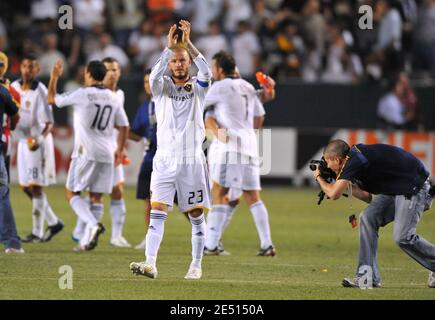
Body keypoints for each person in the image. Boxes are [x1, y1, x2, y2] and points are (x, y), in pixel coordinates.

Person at [129, 20, 211, 280]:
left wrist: (189, 45)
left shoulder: (198, 87)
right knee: (157, 210)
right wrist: (168, 48)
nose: (178, 64)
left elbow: (208, 73)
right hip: (163, 160)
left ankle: (196, 266)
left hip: (191, 161)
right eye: (174, 61)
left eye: (182, 60)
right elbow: (152, 76)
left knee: (196, 214)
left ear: (188, 63)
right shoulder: (161, 87)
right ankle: (150, 263)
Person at [312, 139, 435, 288]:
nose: (328, 167)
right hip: (397, 190)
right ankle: (367, 277)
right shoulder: (354, 160)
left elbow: (333, 194)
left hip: (416, 187)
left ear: (337, 159)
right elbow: (367, 197)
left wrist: (319, 177)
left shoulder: (353, 160)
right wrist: (344, 185)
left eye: (328, 162)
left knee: (402, 237)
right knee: (368, 217)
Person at [48, 59, 129, 251]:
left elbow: (52, 99)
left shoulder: (82, 94)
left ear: (89, 74)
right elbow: (125, 126)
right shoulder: (113, 97)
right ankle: (86, 241)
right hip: (107, 154)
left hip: (86, 152)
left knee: (71, 193)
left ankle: (93, 225)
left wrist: (53, 78)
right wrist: (119, 148)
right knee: (96, 197)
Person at [203, 51, 275, 257]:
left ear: (219, 69)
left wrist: (220, 131)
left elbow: (200, 104)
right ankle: (267, 244)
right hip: (250, 146)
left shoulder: (219, 87)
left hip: (230, 147)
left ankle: (210, 244)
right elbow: (259, 117)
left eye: (213, 67)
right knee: (252, 196)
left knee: (219, 192)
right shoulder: (247, 86)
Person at [71, 57, 131, 248]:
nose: (112, 73)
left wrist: (121, 148)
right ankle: (82, 231)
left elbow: (123, 125)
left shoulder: (119, 94)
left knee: (117, 190)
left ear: (120, 72)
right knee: (92, 193)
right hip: (96, 149)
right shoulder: (92, 95)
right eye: (109, 69)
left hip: (113, 150)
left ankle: (116, 235)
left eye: (115, 69)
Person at [11, 54, 63, 243]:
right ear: (20, 68)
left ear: (37, 70)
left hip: (37, 141)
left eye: (31, 67)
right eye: (24, 66)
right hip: (23, 142)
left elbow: (49, 121)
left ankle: (37, 232)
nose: (27, 70)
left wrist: (40, 138)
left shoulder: (40, 90)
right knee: (25, 187)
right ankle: (54, 221)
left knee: (36, 186)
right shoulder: (14, 87)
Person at [128, 69, 157, 250]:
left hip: (170, 160)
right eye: (146, 82)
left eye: (151, 81)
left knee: (187, 205)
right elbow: (137, 135)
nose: (148, 85)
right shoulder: (144, 107)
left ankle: (207, 237)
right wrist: (120, 130)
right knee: (148, 201)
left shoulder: (170, 101)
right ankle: (150, 239)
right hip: (150, 160)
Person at [0, 51, 23, 253]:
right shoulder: (10, 90)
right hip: (4, 139)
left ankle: (10, 239)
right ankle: (10, 240)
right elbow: (16, 117)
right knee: (2, 192)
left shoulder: (9, 90)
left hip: (5, 140)